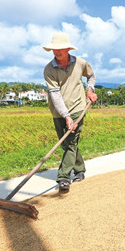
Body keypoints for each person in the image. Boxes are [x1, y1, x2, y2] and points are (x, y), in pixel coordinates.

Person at [43, 33, 97, 191]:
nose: (57, 52)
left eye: (60, 49)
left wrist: (90, 90)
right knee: (67, 144)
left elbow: (91, 75)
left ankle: (63, 177)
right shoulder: (49, 69)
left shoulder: (80, 63)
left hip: (78, 108)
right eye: (54, 49)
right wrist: (65, 116)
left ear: (67, 48)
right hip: (58, 111)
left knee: (71, 142)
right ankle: (79, 170)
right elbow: (55, 94)